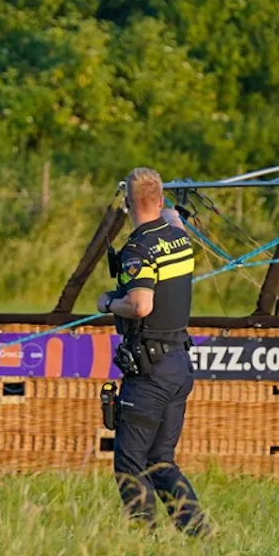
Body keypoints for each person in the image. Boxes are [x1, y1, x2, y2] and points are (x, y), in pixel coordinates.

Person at [97, 167, 208, 535]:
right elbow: (174, 218)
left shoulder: (138, 248)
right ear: (160, 201)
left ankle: (144, 542)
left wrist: (110, 303)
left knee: (130, 463)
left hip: (150, 372)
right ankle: (200, 534)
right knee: (161, 462)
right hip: (178, 363)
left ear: (128, 204)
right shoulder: (179, 238)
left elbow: (141, 305)